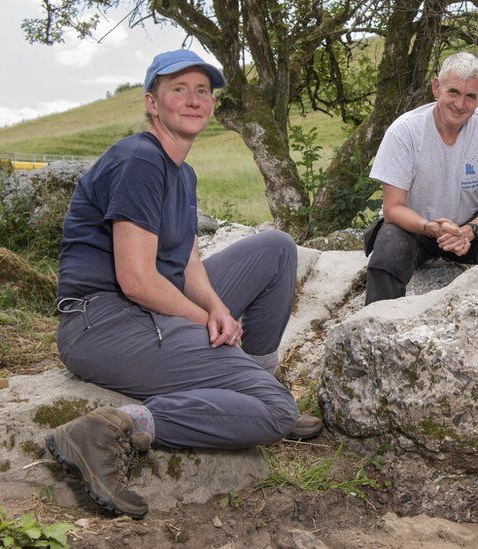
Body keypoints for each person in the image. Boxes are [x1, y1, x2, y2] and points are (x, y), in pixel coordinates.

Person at [45, 49, 321, 519]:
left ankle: (251, 384)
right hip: (104, 322)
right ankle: (110, 428)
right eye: (179, 90)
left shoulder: (183, 172)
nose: (194, 100)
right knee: (275, 412)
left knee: (275, 247)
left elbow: (188, 264)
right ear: (153, 103)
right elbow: (136, 280)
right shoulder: (140, 159)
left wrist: (215, 306)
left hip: (148, 308)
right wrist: (205, 318)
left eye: (203, 91)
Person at [364, 52, 478, 304]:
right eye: (453, 92)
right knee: (389, 247)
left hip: (468, 228)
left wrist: (469, 232)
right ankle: (374, 325)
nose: (460, 104)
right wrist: (429, 227)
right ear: (436, 88)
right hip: (415, 226)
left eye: (470, 96)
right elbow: (393, 207)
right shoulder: (404, 130)